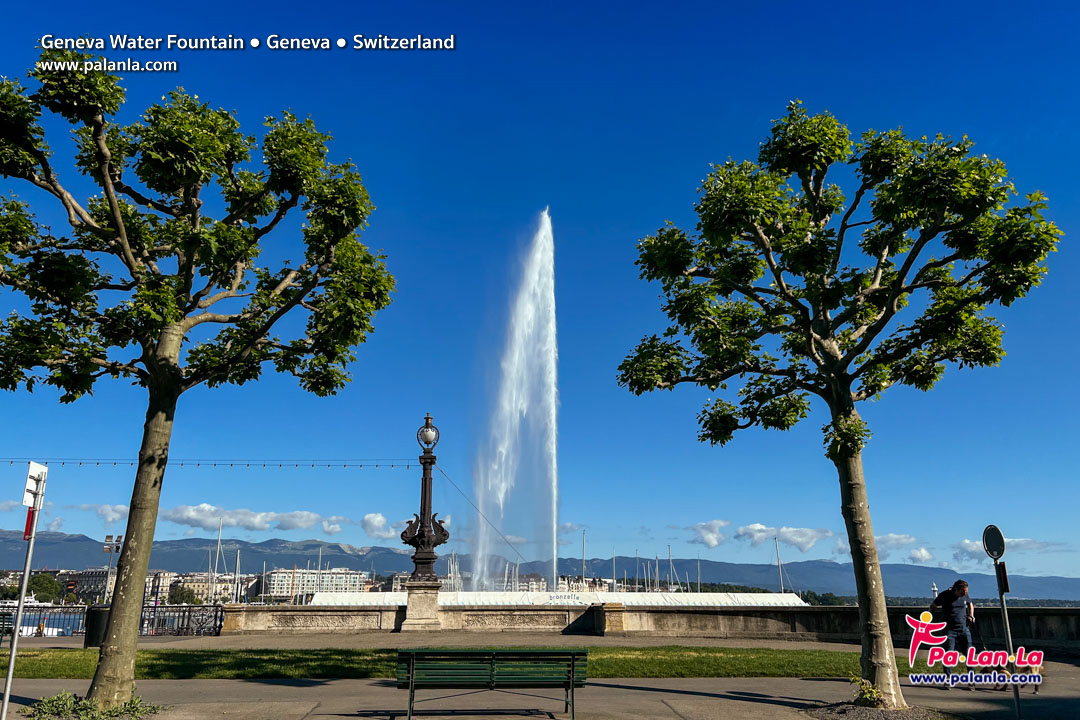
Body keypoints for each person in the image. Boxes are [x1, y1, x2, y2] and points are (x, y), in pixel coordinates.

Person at [930, 579, 976, 688]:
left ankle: (972, 681)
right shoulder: (944, 595)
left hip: (964, 629)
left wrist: (971, 615)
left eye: (966, 592)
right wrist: (929, 617)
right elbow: (933, 605)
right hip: (949, 630)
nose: (965, 594)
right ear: (956, 589)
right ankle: (948, 679)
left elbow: (970, 605)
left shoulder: (965, 596)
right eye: (963, 592)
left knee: (969, 655)